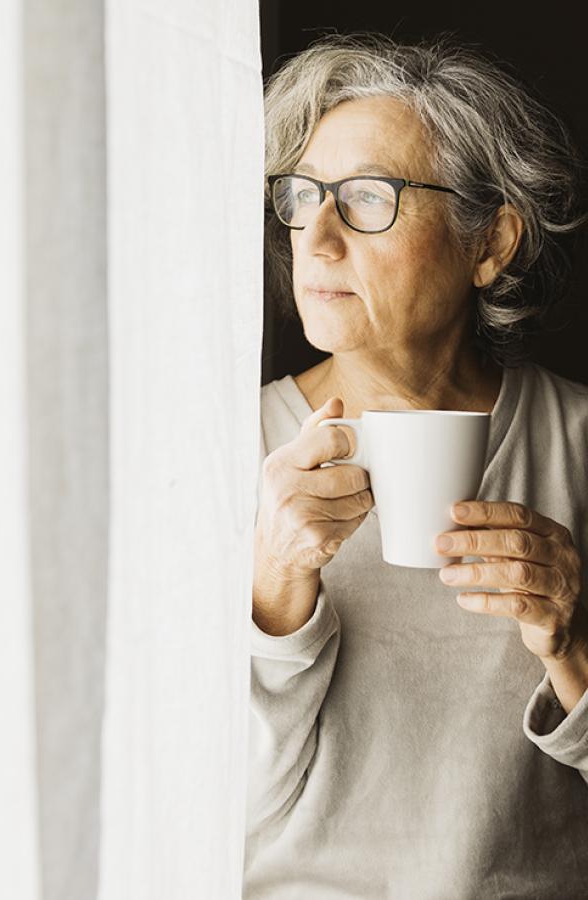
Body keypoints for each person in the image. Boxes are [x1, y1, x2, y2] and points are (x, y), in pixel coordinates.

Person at [249, 33, 588, 896]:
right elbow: (186, 806)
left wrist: (574, 645)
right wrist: (278, 596)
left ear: (491, 243)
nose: (315, 237)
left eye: (368, 199)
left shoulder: (577, 440)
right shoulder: (228, 451)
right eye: (302, 196)